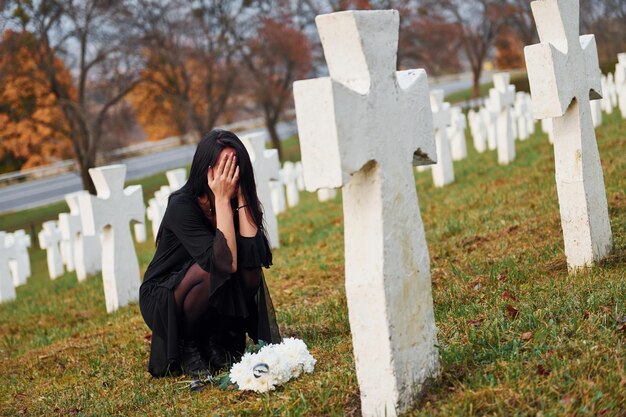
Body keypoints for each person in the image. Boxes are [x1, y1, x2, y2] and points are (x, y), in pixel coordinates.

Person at [139, 129, 281, 378]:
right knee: (210, 269)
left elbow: (254, 256)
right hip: (166, 297)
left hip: (210, 287)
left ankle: (216, 338)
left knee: (250, 271)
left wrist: (243, 194)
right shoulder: (181, 205)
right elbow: (222, 263)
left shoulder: (237, 199)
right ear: (205, 168)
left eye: (234, 165)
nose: (229, 174)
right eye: (222, 166)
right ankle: (189, 345)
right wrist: (222, 199)